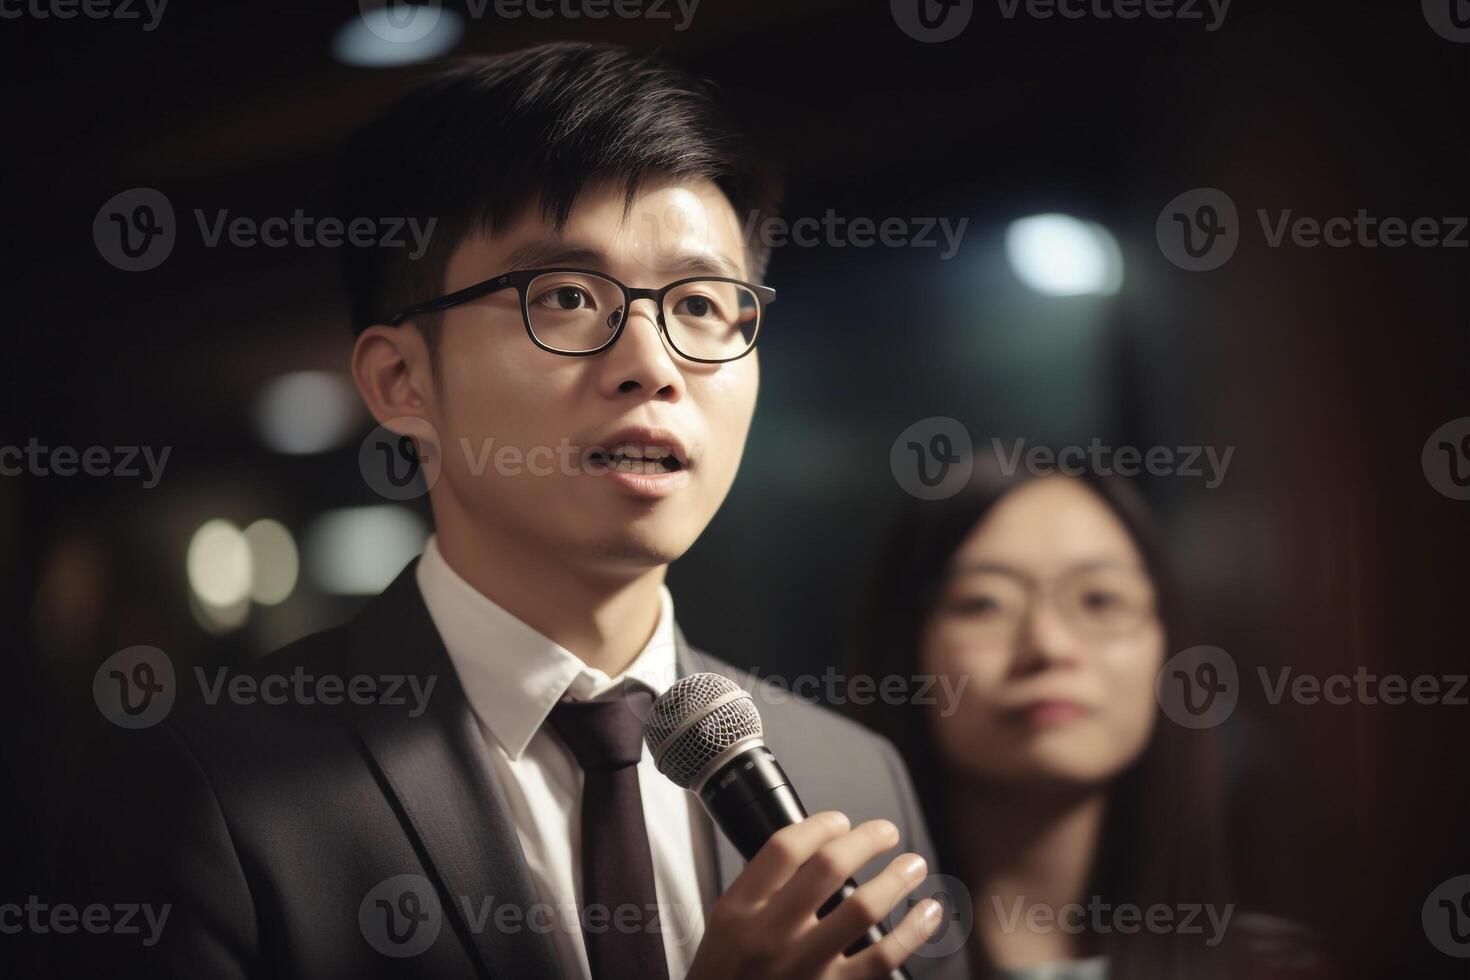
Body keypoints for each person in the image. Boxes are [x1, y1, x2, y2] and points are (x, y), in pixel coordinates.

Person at [51, 43, 965, 980]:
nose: (652, 363)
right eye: (566, 297)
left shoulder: (854, 781)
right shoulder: (210, 792)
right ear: (402, 380)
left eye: (699, 304)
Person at [849, 462, 1329, 979]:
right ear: (905, 650)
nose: (1049, 647)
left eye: (1101, 599)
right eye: (984, 603)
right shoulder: (824, 964)